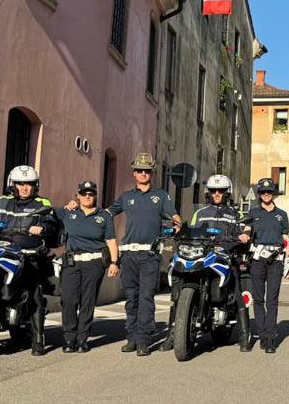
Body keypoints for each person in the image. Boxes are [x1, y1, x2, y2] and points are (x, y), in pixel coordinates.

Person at [100, 152, 181, 356]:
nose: (143, 173)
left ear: (151, 172)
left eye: (147, 170)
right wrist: (80, 208)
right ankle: (131, 338)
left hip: (150, 256)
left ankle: (144, 340)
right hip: (128, 255)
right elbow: (106, 214)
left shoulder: (161, 196)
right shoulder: (127, 197)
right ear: (134, 173)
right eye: (139, 170)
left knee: (146, 297)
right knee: (131, 298)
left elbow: (174, 215)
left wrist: (178, 225)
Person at [0, 165, 60, 356]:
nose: (25, 188)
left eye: (29, 184)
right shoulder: (0, 202)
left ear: (35, 186)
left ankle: (38, 340)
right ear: (13, 185)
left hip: (29, 254)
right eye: (20, 184)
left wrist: (42, 227)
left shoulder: (42, 203)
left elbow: (51, 222)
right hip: (1, 252)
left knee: (34, 291)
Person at [185, 173, 252, 350]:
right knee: (182, 281)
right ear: (208, 193)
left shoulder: (234, 214)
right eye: (213, 190)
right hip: (203, 255)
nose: (216, 193)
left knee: (237, 290)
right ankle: (173, 333)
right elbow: (192, 232)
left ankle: (245, 335)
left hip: (226, 256)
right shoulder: (199, 213)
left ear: (226, 193)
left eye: (220, 190)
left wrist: (244, 235)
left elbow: (244, 230)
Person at [57, 180, 119, 353]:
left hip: (94, 263)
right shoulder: (69, 213)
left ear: (95, 196)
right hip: (71, 262)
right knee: (69, 300)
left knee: (87, 301)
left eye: (91, 194)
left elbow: (111, 241)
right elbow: (49, 213)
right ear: (77, 195)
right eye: (83, 194)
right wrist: (66, 206)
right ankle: (69, 339)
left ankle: (82, 339)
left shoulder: (104, 216)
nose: (87, 197)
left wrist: (114, 262)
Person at [243, 177, 289, 354]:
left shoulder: (282, 215)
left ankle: (270, 338)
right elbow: (247, 230)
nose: (266, 194)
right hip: (257, 258)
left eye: (269, 191)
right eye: (263, 192)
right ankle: (262, 334)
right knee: (259, 298)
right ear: (259, 194)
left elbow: (285, 238)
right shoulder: (253, 213)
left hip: (276, 259)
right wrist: (245, 235)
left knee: (272, 299)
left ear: (274, 193)